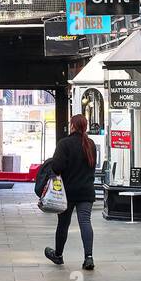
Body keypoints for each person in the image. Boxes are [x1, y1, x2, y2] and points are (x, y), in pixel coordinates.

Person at [44, 113, 97, 270]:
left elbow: (57, 167)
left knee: (63, 224)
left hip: (67, 193)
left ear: (73, 126)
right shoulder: (91, 144)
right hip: (86, 191)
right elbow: (92, 166)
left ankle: (58, 255)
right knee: (85, 222)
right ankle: (88, 257)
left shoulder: (64, 144)